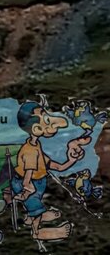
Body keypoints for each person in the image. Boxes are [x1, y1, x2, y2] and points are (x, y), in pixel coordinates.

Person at [11, 101, 92, 242]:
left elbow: (55, 166)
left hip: (38, 182)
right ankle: (38, 232)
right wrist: (27, 188)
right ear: (36, 129)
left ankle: (31, 217)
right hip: (29, 184)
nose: (53, 124)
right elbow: (27, 174)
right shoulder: (29, 151)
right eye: (46, 120)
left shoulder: (36, 146)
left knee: (34, 206)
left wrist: (70, 160)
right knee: (35, 206)